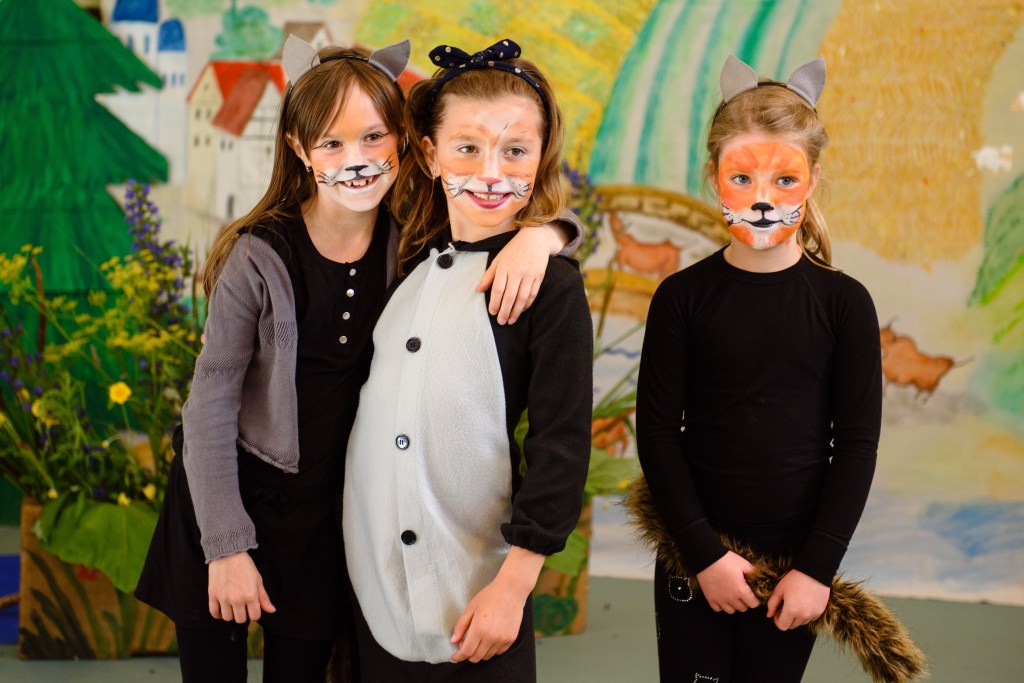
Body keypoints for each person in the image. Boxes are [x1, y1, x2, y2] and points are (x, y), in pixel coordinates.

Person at [134, 35, 579, 683]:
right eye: (332, 144)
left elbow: (497, 218)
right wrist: (225, 545)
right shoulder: (258, 254)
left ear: (404, 143)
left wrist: (547, 234)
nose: (357, 161)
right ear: (298, 149)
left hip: (319, 515)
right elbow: (209, 408)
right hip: (224, 502)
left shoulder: (413, 241)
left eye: (373, 138)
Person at [342, 39, 593, 682]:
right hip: (374, 598)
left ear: (541, 156)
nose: (490, 173)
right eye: (467, 148)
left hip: (478, 598)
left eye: (515, 151)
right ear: (429, 155)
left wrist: (513, 588)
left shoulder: (550, 287)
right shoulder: (401, 262)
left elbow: (562, 445)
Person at [634, 54, 882, 683]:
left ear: (813, 179)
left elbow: (856, 445)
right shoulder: (681, 297)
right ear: (713, 176)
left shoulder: (845, 304)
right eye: (742, 179)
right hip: (695, 556)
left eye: (784, 180)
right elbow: (657, 434)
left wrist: (816, 569)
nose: (763, 200)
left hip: (793, 567)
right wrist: (703, 554)